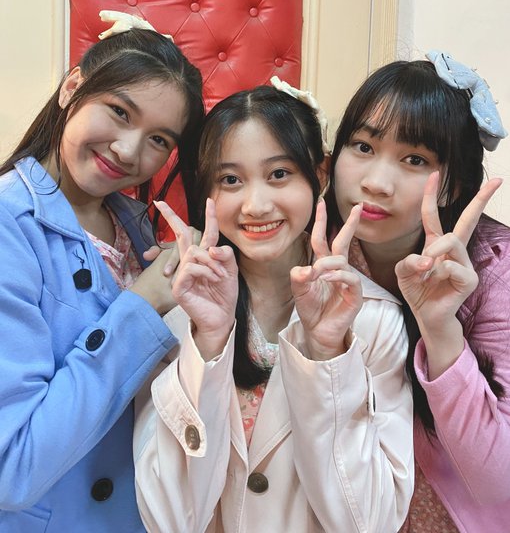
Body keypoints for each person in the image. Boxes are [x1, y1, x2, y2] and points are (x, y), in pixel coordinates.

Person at [133, 81, 414, 532]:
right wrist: (208, 345)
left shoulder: (374, 319)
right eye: (230, 180)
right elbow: (168, 518)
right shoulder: (180, 315)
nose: (257, 205)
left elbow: (370, 521)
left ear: (320, 175)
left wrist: (327, 355)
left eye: (279, 173)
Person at [0, 10, 205, 532]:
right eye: (119, 111)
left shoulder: (137, 227)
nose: (128, 150)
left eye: (159, 140)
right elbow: (13, 468)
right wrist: (143, 305)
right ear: (73, 86)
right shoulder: (9, 226)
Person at [325, 51, 510, 532]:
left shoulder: (497, 270)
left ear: (453, 186)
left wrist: (441, 330)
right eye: (363, 146)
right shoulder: (316, 248)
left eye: (415, 159)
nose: (375, 183)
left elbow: (497, 482)